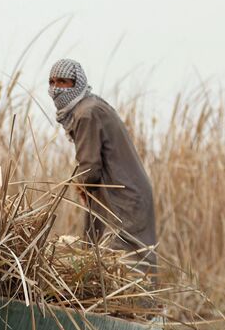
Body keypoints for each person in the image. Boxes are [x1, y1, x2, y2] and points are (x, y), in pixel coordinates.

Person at [49, 58, 158, 268]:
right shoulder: (90, 106)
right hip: (124, 195)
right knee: (111, 259)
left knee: (126, 264)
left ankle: (138, 303)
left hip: (125, 198)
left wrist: (80, 184)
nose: (56, 89)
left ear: (76, 83)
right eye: (52, 82)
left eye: (63, 82)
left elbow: (89, 169)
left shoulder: (85, 114)